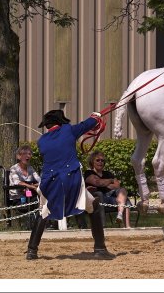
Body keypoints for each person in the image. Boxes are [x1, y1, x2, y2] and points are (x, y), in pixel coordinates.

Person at [26, 109, 115, 260]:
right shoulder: (67, 130)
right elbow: (87, 125)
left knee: (44, 212)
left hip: (50, 183)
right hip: (70, 179)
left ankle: (31, 251)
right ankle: (100, 248)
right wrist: (96, 116)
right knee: (94, 206)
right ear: (61, 122)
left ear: (47, 125)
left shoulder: (42, 141)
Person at [84, 151, 131, 228]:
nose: (100, 162)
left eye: (102, 160)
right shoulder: (89, 173)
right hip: (98, 198)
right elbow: (97, 183)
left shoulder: (108, 173)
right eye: (98, 160)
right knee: (102, 195)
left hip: (110, 196)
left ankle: (123, 220)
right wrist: (111, 181)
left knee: (123, 192)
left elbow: (117, 185)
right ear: (92, 162)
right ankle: (104, 226)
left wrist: (103, 183)